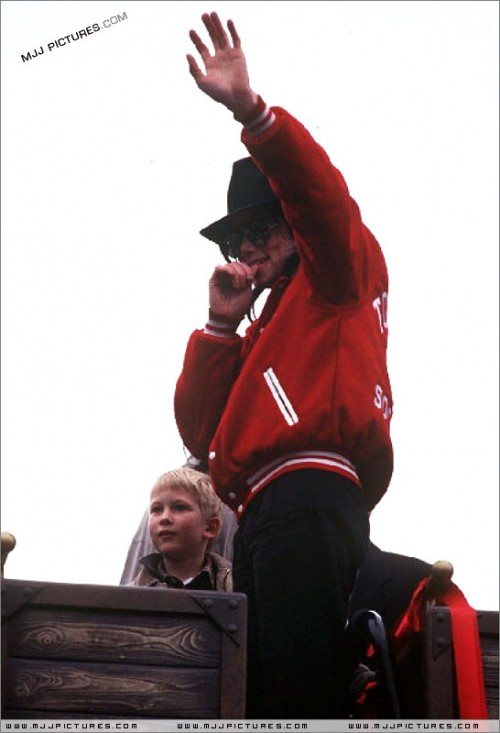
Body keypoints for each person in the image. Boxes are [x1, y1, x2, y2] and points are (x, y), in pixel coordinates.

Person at [174, 12, 393, 718]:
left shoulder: (335, 274)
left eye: (262, 227)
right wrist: (218, 327)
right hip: (265, 514)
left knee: (293, 697)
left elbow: (321, 196)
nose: (246, 245)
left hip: (307, 497)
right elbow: (199, 436)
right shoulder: (266, 322)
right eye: (237, 235)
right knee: (266, 691)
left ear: (295, 227)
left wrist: (252, 110)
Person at [120, 457, 238, 585]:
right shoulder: (130, 597)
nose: (164, 517)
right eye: (157, 509)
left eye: (179, 507)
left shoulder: (238, 587)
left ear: (210, 527)